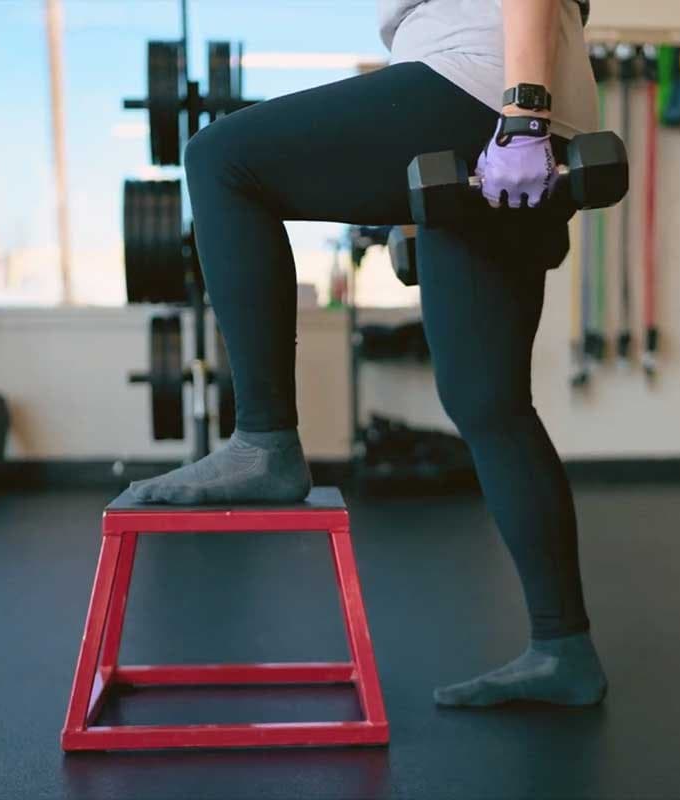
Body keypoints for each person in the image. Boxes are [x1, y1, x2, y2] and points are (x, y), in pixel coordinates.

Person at [129, 0, 608, 708]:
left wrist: (523, 115)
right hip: (504, 105)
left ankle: (264, 441)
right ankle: (563, 648)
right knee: (486, 399)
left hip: (481, 89)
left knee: (221, 158)